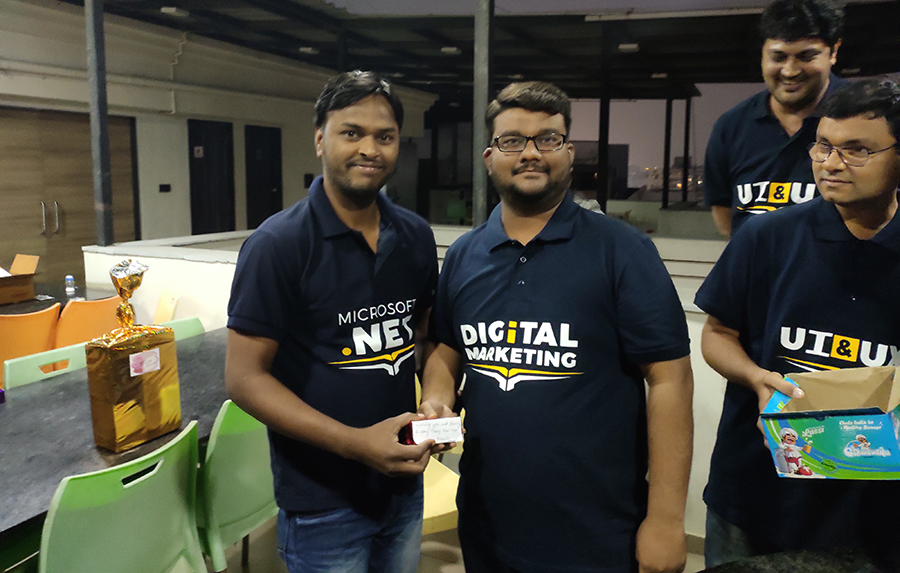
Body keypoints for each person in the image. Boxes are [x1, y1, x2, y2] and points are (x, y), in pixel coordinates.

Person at [420, 81, 694, 573]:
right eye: (512, 140)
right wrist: (437, 399)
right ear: (489, 157)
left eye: (547, 139)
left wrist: (667, 519)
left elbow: (670, 380)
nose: (530, 153)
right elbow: (446, 347)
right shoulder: (464, 254)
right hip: (487, 520)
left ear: (569, 153)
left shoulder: (622, 251)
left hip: (597, 528)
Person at [225, 70, 439, 573]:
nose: (369, 149)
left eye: (384, 137)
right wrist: (355, 444)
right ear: (320, 139)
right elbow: (244, 379)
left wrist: (435, 399)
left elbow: (426, 336)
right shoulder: (277, 245)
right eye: (352, 133)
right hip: (322, 504)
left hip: (402, 487)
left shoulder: (415, 236)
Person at [696, 78, 900, 569]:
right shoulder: (767, 235)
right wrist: (755, 377)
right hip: (753, 494)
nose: (831, 163)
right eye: (823, 146)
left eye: (857, 150)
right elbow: (718, 334)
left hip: (872, 512)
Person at [704, 0, 846, 238]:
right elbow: (723, 209)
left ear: (833, 52)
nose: (790, 71)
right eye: (778, 57)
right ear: (762, 54)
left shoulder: (867, 118)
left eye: (806, 56)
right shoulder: (731, 126)